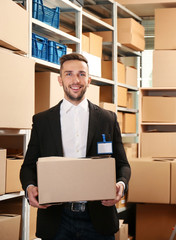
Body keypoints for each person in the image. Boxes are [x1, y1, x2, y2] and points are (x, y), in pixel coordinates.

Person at [20, 53, 131, 240]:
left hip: (98, 217)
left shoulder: (107, 119)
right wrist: (30, 187)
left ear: (89, 80)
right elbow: (28, 166)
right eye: (69, 74)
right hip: (57, 218)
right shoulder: (43, 121)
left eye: (81, 74)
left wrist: (121, 185)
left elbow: (123, 165)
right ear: (60, 79)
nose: (75, 80)